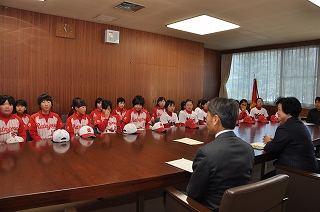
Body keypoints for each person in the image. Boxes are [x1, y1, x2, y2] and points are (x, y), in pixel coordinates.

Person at [187, 97, 254, 212]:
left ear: (215, 119)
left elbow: (193, 193)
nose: (206, 119)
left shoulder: (206, 153)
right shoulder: (248, 148)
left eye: (208, 115)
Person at [263, 97, 319, 176]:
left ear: (288, 112)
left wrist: (268, 141)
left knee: (265, 179)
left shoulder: (284, 128)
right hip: (310, 171)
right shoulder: (300, 125)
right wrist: (275, 141)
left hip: (296, 173)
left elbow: (272, 148)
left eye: (279, 109)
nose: (277, 112)